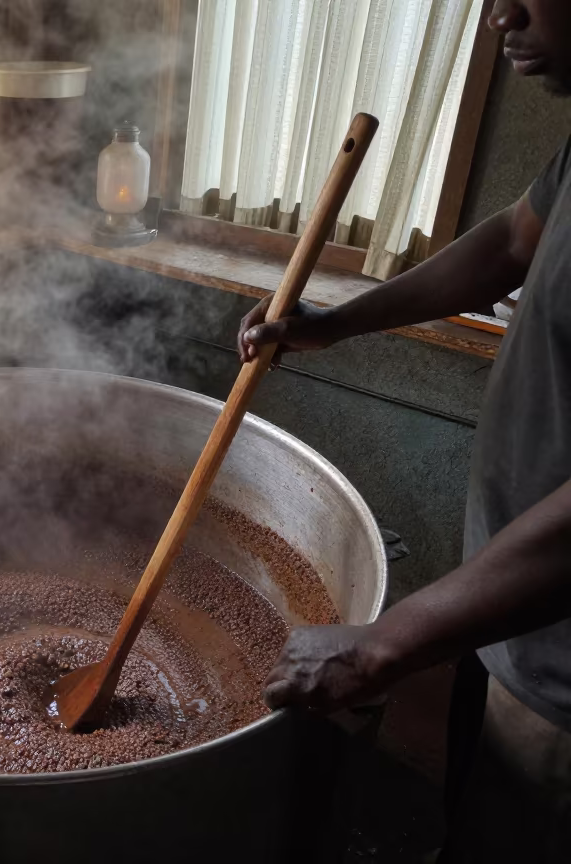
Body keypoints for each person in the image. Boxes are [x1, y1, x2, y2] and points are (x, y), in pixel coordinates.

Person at [237, 1, 571, 859]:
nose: (502, 15)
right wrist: (333, 323)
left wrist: (384, 645)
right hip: (506, 621)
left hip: (564, 674)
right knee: (474, 811)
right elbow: (509, 241)